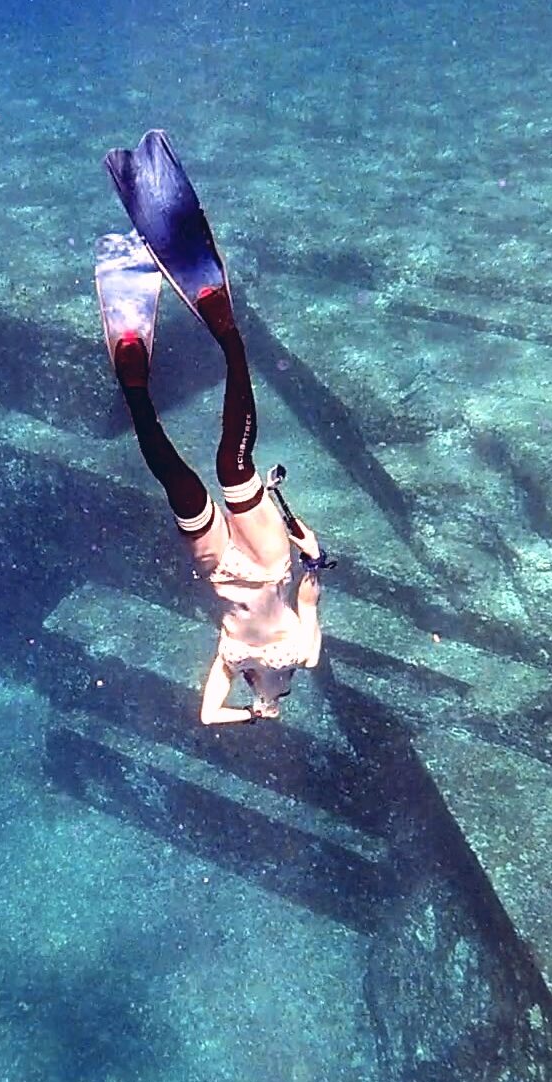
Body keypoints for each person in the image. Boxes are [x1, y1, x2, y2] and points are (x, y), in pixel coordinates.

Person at [97, 130, 334, 725]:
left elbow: (207, 715)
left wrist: (248, 718)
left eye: (262, 703)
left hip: (221, 569)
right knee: (234, 464)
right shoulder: (304, 657)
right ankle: (225, 329)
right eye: (269, 703)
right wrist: (316, 553)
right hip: (269, 557)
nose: (265, 701)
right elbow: (311, 591)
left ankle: (133, 379)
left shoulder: (230, 665)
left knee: (175, 481)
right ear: (282, 695)